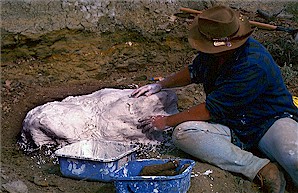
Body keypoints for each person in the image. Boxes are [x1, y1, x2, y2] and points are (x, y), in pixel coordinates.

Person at [131, 5, 298, 193]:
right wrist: (162, 84)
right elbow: (194, 72)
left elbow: (210, 110)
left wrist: (165, 121)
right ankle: (260, 168)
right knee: (183, 133)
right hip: (232, 123)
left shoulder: (253, 64)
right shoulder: (216, 54)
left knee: (294, 157)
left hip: (270, 121)